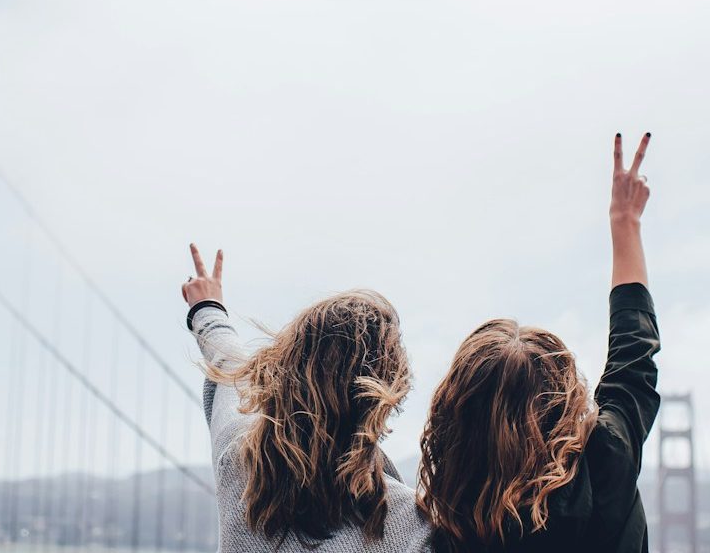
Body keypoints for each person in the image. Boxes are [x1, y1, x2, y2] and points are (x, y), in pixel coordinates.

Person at [417, 132, 661, 553]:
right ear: (562, 398)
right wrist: (625, 222)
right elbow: (634, 352)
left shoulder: (451, 522)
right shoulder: (607, 457)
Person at [180, 244, 432, 553]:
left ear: (285, 366)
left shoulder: (237, 455)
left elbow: (229, 363)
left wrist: (206, 307)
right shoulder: (416, 526)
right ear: (388, 394)